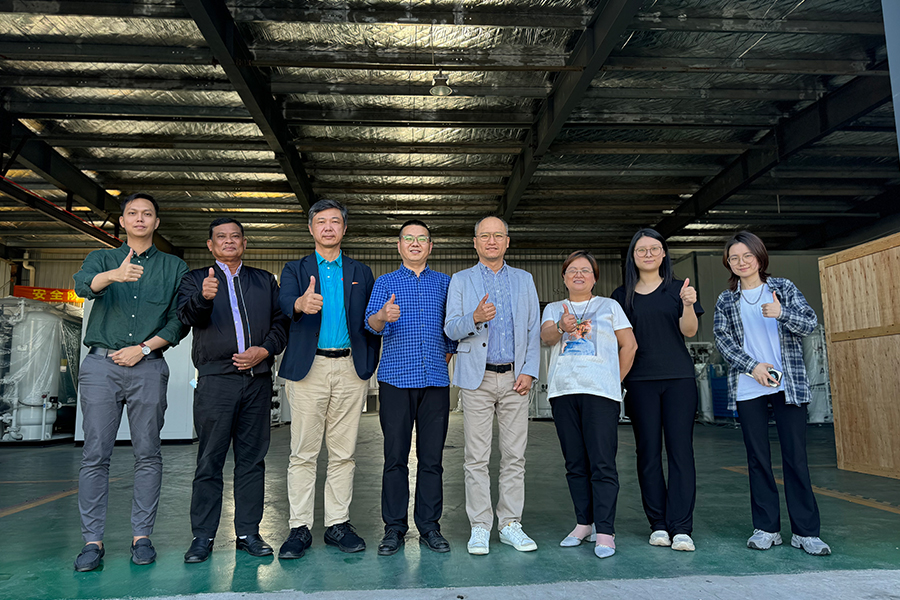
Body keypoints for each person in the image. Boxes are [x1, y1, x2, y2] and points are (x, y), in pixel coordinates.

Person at [71, 192, 188, 572]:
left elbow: (179, 320)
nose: (140, 219)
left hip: (148, 366)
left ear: (156, 222)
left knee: (148, 453)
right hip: (100, 367)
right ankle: (92, 541)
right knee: (95, 455)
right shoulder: (102, 258)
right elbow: (82, 286)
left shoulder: (174, 267)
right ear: (122, 221)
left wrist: (143, 348)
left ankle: (142, 537)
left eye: (147, 214)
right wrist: (114, 276)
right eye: (133, 213)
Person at [177, 218, 288, 563]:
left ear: (244, 243)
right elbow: (186, 317)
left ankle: (248, 533)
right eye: (221, 237)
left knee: (252, 460)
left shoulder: (264, 281)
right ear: (210, 245)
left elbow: (281, 323)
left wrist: (264, 350)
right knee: (210, 459)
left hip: (257, 380)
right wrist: (203, 298)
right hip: (216, 381)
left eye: (235, 236)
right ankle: (203, 536)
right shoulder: (196, 279)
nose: (229, 241)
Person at [713, 231, 830, 556]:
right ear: (728, 263)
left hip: (787, 384)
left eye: (747, 256)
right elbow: (722, 339)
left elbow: (809, 323)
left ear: (759, 257)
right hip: (749, 386)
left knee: (795, 457)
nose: (741, 262)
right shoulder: (727, 299)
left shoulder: (783, 288)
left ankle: (806, 532)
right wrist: (752, 367)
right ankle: (767, 528)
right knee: (758, 459)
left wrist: (782, 313)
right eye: (734, 258)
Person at [277, 199, 380, 559]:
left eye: (335, 221)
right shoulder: (295, 268)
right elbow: (284, 303)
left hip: (350, 369)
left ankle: (337, 524)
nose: (328, 227)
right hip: (310, 370)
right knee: (303, 453)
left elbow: (370, 320)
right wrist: (299, 305)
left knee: (343, 453)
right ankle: (299, 527)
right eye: (321, 221)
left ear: (344, 229)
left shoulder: (361, 271)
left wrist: (368, 363)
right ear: (311, 228)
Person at [444, 216, 540, 556]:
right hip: (477, 377)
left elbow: (533, 329)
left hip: (515, 378)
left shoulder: (524, 280)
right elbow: (451, 328)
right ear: (475, 242)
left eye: (498, 235)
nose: (491, 241)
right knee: (476, 457)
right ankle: (480, 526)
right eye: (485, 236)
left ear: (507, 242)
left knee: (514, 456)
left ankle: (510, 523)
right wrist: (474, 318)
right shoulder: (461, 280)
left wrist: (529, 371)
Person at [364, 220, 457, 556]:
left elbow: (452, 333)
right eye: (408, 238)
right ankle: (394, 528)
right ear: (399, 246)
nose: (415, 243)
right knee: (395, 458)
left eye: (422, 239)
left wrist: (441, 360)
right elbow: (370, 325)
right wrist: (382, 316)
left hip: (435, 382)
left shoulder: (446, 283)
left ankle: (430, 527)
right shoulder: (385, 283)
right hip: (395, 382)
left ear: (430, 246)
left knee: (432, 459)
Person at [541, 250, 637, 559]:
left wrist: (613, 380)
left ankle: (605, 531)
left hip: (600, 395)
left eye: (585, 270)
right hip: (564, 392)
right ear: (564, 277)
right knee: (575, 463)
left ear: (594, 277)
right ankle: (584, 523)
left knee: (602, 463)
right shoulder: (554, 308)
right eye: (572, 270)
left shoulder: (609, 306)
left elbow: (629, 345)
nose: (578, 275)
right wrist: (561, 326)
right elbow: (546, 338)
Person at [611, 229, 702, 552]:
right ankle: (659, 525)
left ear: (664, 254)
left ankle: (682, 527)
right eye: (641, 250)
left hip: (679, 380)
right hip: (640, 382)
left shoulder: (679, 289)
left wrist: (688, 305)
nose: (648, 254)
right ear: (632, 256)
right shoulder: (621, 296)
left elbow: (689, 331)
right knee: (647, 453)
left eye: (654, 249)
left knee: (680, 452)